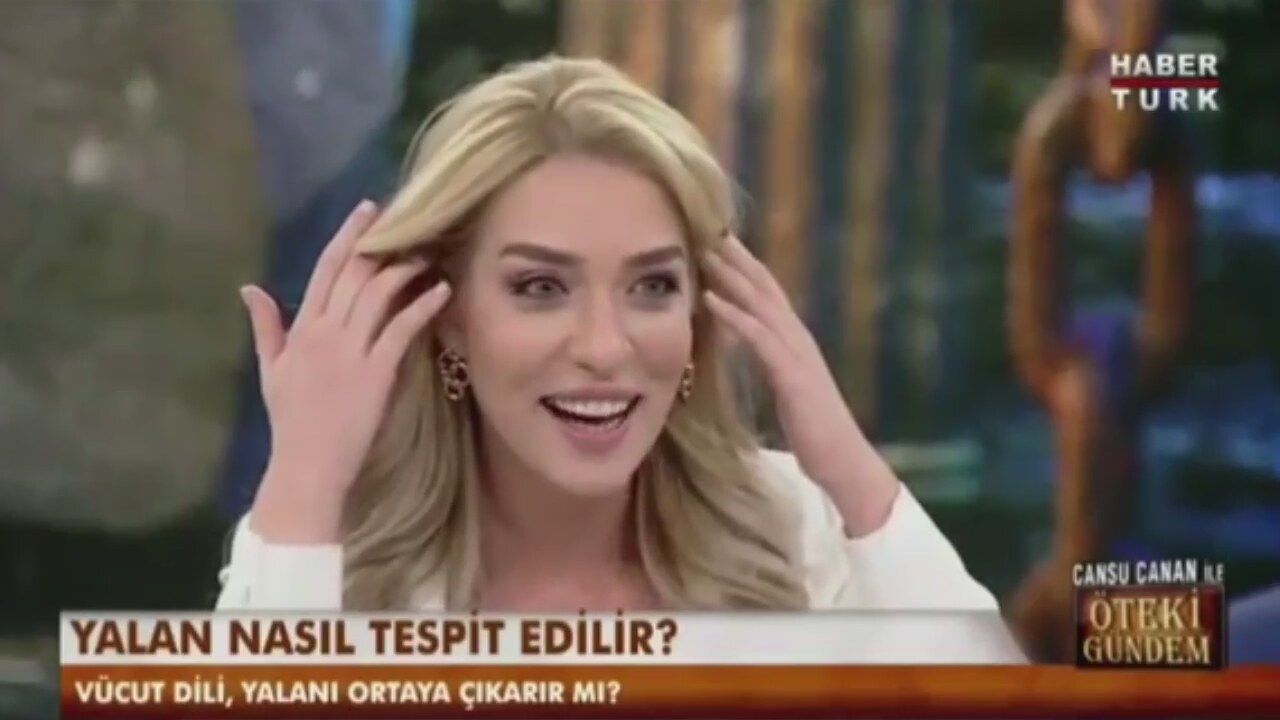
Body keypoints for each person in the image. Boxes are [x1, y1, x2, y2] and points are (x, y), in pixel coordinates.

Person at [216, 55, 1023, 661]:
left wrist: (848, 466)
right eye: (540, 288)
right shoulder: (325, 560)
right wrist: (306, 480)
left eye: (652, 286)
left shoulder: (798, 531)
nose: (605, 348)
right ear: (450, 320)